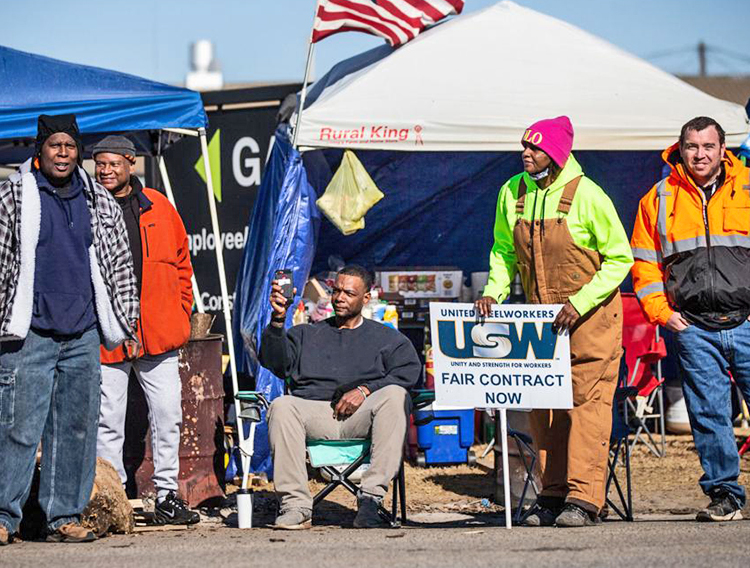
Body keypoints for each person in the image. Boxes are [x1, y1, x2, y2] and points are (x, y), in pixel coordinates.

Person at [475, 116, 633, 527]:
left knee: (586, 407)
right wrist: (494, 289)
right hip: (541, 321)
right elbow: (503, 250)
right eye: (524, 145)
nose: (525, 153)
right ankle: (551, 495)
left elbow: (620, 258)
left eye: (535, 147)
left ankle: (583, 500)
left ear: (558, 153)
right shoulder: (511, 192)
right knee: (544, 409)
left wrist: (579, 303)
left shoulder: (589, 196)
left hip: (590, 319)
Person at [0, 115, 138, 545]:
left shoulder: (97, 198)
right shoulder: (13, 195)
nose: (63, 153)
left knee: (77, 427)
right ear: (39, 151)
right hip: (30, 333)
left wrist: (124, 318)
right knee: (18, 428)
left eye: (70, 146)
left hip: (82, 332)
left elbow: (119, 264)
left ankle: (64, 518)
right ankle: (4, 519)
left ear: (78, 151)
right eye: (54, 145)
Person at [631, 116, 750, 522]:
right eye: (692, 147)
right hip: (694, 327)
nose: (700, 154)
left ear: (722, 149)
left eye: (708, 146)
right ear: (680, 149)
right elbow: (644, 267)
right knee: (709, 414)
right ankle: (725, 497)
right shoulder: (658, 199)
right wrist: (663, 314)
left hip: (748, 320)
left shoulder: (748, 187)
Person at [260, 265, 421, 529]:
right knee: (282, 405)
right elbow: (275, 362)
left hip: (364, 418)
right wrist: (278, 319)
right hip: (316, 413)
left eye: (348, 292)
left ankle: (371, 501)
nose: (339, 297)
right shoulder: (306, 334)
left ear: (366, 298)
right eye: (336, 291)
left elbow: (409, 374)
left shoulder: (388, 340)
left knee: (394, 395)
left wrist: (365, 390)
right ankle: (295, 506)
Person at [92, 136, 199, 526]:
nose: (105, 170)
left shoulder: (159, 206)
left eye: (112, 164)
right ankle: (113, 497)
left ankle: (167, 495)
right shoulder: (88, 207)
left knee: (169, 414)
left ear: (131, 163)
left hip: (159, 333)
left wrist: (180, 311)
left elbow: (182, 263)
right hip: (109, 335)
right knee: (108, 419)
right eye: (99, 164)